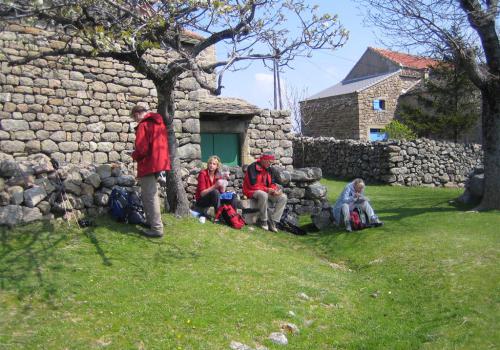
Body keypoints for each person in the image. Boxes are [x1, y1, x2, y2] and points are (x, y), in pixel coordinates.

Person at [130, 105, 170, 238]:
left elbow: (142, 149)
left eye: (134, 117)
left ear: (137, 114)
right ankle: (150, 222)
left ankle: (157, 228)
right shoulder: (158, 122)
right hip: (159, 162)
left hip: (148, 164)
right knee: (150, 194)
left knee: (150, 196)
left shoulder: (144, 125)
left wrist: (134, 155)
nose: (135, 120)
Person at [243, 151, 287, 232]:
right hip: (251, 191)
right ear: (264, 159)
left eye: (272, 162)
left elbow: (272, 183)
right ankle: (264, 220)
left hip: (266, 191)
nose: (271, 164)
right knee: (263, 195)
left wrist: (274, 191)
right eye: (270, 162)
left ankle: (273, 221)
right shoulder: (252, 167)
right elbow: (252, 185)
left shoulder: (270, 169)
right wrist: (267, 190)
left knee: (283, 197)